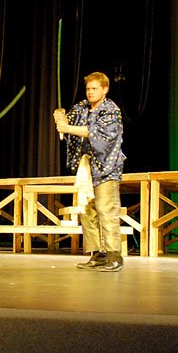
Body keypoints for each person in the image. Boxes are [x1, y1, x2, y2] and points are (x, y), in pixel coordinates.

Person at [53, 71, 126, 272]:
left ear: (105, 89)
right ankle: (97, 254)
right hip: (86, 167)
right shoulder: (83, 107)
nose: (90, 92)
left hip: (105, 167)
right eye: (88, 88)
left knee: (106, 210)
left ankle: (114, 256)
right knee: (88, 210)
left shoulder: (110, 110)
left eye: (94, 88)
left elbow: (97, 134)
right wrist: (61, 116)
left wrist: (68, 128)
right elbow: (69, 121)